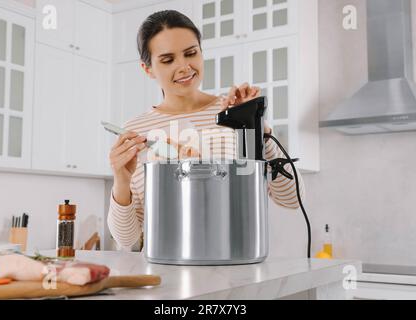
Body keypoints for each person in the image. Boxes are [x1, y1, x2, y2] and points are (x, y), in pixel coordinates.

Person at [107, 10, 305, 251]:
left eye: (191, 53)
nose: (183, 66)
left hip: (236, 266)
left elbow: (293, 199)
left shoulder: (235, 115)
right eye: (168, 60)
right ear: (148, 69)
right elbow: (127, 240)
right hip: (166, 269)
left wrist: (257, 126)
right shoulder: (135, 131)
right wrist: (121, 180)